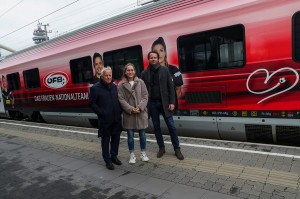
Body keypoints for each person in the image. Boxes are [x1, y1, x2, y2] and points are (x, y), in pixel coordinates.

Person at [141, 51, 184, 160]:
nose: (153, 59)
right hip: (152, 104)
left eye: (155, 57)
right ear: (148, 59)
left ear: (158, 58)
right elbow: (143, 91)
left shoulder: (165, 70)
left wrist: (172, 102)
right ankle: (161, 148)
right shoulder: (144, 73)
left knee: (172, 127)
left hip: (165, 103)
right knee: (156, 127)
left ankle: (177, 149)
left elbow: (171, 87)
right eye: (151, 57)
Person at [89, 67, 123, 170]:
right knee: (105, 140)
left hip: (116, 118)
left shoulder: (114, 86)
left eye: (110, 75)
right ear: (101, 76)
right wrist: (101, 113)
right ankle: (107, 160)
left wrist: (120, 111)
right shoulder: (95, 88)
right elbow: (91, 103)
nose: (108, 77)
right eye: (106, 75)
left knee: (116, 139)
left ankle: (114, 156)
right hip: (105, 120)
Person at [118, 63, 149, 164]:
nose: (130, 72)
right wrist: (131, 109)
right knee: (130, 136)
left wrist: (140, 107)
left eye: (132, 70)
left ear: (134, 71)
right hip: (129, 114)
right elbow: (121, 99)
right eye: (128, 70)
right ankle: (132, 155)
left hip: (141, 113)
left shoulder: (140, 82)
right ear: (125, 72)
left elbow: (145, 95)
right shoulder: (121, 85)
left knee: (143, 135)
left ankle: (143, 153)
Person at [151, 37, 183, 110]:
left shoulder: (174, 70)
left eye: (161, 50)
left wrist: (170, 103)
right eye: (155, 51)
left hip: (169, 107)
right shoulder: (150, 72)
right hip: (156, 108)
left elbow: (178, 89)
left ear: (165, 52)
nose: (159, 54)